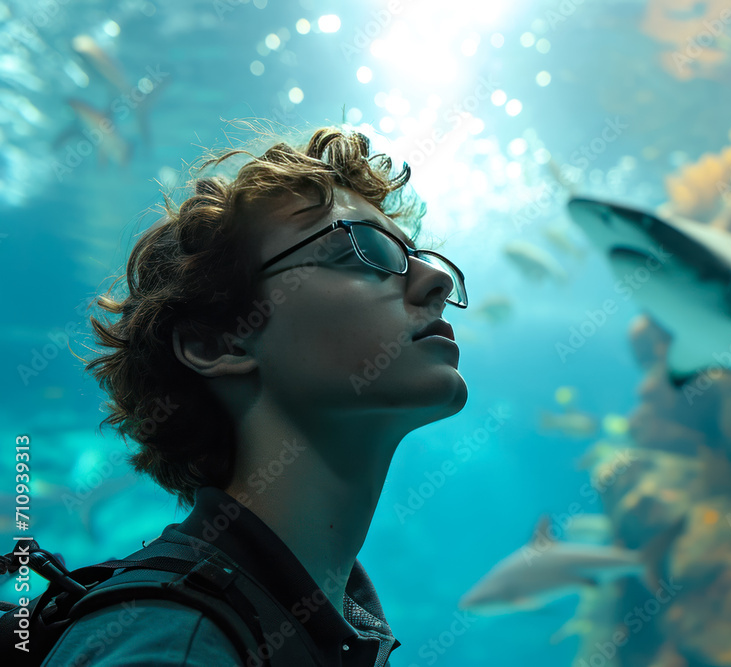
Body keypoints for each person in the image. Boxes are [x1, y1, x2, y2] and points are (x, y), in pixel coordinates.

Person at [42, 125, 469, 666]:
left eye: (417, 256)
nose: (436, 281)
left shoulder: (325, 624)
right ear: (217, 340)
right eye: (360, 251)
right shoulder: (176, 644)